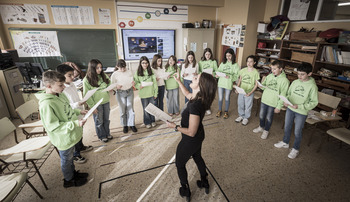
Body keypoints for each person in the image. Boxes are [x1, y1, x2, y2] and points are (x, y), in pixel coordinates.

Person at [167, 72, 217, 201]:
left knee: (179, 163)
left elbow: (191, 132)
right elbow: (188, 94)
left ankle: (185, 190)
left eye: (196, 78)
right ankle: (204, 181)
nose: (192, 78)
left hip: (191, 139)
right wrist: (178, 81)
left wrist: (175, 127)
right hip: (199, 136)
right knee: (197, 156)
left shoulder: (195, 105)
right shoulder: (199, 98)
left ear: (200, 86)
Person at [36, 71, 88, 188]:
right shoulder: (47, 104)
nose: (64, 87)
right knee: (66, 160)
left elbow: (67, 110)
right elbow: (54, 126)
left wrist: (79, 111)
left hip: (70, 135)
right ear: (49, 86)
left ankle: (73, 174)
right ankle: (68, 180)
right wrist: (75, 123)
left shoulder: (60, 94)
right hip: (63, 138)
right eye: (61, 85)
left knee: (70, 159)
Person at [274, 62, 318, 159]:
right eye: (298, 74)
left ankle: (295, 149)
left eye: (302, 74)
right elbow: (289, 94)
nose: (300, 76)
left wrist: (300, 106)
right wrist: (287, 101)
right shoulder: (295, 82)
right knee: (287, 127)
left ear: (309, 74)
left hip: (301, 112)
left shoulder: (312, 86)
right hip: (290, 108)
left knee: (298, 131)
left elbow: (314, 102)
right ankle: (285, 142)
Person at [56, 64, 93, 164]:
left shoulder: (72, 84)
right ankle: (76, 154)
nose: (73, 77)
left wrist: (81, 103)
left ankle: (81, 147)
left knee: (80, 132)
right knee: (74, 135)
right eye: (69, 75)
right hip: (72, 115)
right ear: (61, 76)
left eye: (73, 74)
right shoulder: (61, 90)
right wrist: (78, 103)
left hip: (79, 111)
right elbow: (66, 106)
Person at [252, 60, 290, 139]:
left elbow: (283, 95)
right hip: (265, 99)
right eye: (271, 69)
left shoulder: (285, 81)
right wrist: (260, 86)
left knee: (269, 118)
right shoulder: (269, 76)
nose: (272, 71)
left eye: (275, 69)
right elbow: (264, 86)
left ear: (280, 69)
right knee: (261, 115)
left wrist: (279, 107)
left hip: (273, 102)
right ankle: (261, 127)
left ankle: (266, 130)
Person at [83, 59, 113, 142]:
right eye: (97, 68)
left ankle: (107, 133)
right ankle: (102, 136)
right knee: (99, 121)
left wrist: (111, 87)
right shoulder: (87, 80)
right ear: (92, 69)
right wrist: (92, 107)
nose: (100, 69)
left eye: (101, 67)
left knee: (106, 119)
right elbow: (87, 95)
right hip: (96, 104)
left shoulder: (103, 75)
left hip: (106, 101)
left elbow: (109, 83)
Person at [110, 59, 137, 134]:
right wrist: (116, 86)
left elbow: (133, 80)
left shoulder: (129, 71)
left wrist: (133, 82)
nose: (123, 69)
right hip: (120, 93)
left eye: (124, 67)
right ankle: (125, 125)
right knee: (122, 110)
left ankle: (132, 124)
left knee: (131, 109)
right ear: (117, 67)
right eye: (121, 68)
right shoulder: (114, 74)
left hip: (129, 91)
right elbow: (111, 85)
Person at [133, 56, 158, 129]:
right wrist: (138, 86)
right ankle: (147, 122)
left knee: (152, 108)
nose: (145, 64)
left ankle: (153, 120)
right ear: (140, 63)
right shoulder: (137, 72)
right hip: (143, 94)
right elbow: (135, 82)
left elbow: (155, 83)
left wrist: (155, 93)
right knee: (145, 109)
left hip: (151, 93)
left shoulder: (151, 71)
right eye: (143, 63)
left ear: (148, 63)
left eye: (146, 63)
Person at [235, 55, 260, 126]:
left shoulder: (256, 72)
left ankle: (246, 118)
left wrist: (251, 92)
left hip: (249, 92)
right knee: (240, 104)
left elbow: (256, 84)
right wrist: (237, 88)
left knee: (248, 106)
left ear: (254, 62)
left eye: (251, 61)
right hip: (241, 91)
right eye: (248, 61)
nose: (249, 63)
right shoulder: (243, 70)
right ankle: (241, 116)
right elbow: (240, 80)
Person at [215, 48, 240, 119]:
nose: (228, 57)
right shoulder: (222, 63)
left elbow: (236, 76)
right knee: (220, 98)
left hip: (228, 83)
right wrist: (217, 75)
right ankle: (219, 110)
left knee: (226, 98)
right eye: (226, 56)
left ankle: (226, 111)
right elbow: (218, 71)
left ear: (232, 55)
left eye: (229, 55)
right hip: (221, 83)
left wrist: (229, 76)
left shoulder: (235, 65)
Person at [198, 48, 218, 115]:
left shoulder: (213, 62)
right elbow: (199, 71)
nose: (208, 56)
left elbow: (216, 71)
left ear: (211, 54)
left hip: (211, 81)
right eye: (206, 54)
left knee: (209, 95)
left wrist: (214, 74)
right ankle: (203, 107)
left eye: (209, 54)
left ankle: (208, 107)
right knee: (202, 94)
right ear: (204, 55)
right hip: (203, 81)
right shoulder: (201, 62)